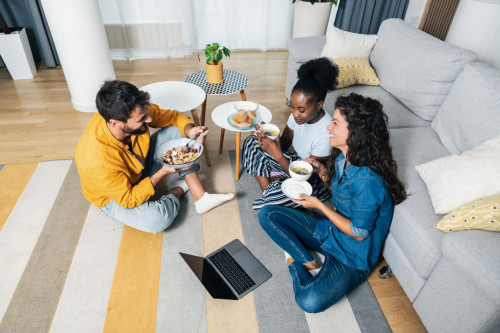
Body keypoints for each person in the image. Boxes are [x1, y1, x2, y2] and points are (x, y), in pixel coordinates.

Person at [258, 93, 408, 313]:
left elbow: (359, 232)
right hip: (331, 231)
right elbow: (339, 192)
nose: (329, 127)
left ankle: (295, 263)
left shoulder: (368, 181)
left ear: (354, 133)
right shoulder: (343, 157)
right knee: (267, 214)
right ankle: (309, 262)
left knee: (310, 301)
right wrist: (322, 172)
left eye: (335, 123)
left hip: (352, 256)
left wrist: (319, 206)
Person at [75, 80, 234, 234]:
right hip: (116, 196)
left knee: (178, 133)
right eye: (142, 119)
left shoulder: (132, 110)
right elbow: (128, 199)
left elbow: (173, 117)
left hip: (138, 165)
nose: (149, 119)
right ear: (116, 123)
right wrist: (162, 173)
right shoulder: (97, 161)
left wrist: (189, 131)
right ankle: (179, 189)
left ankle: (201, 198)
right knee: (157, 220)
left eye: (146, 113)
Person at [242, 57, 339, 210]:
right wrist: (270, 138)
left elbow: (305, 177)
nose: (295, 114)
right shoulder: (297, 116)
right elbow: (285, 144)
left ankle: (274, 187)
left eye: (301, 110)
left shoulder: (326, 132)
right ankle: (268, 190)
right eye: (291, 107)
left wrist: (277, 155)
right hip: (292, 160)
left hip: (309, 179)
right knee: (251, 142)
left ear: (319, 105)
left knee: (272, 203)